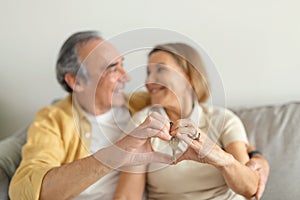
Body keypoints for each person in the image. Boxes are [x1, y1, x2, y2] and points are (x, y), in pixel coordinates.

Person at [9, 31, 172, 200]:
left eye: (122, 64)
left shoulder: (141, 104)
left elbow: (187, 93)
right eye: (112, 69)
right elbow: (24, 191)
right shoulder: (53, 120)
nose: (126, 77)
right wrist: (112, 156)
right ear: (75, 81)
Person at [114, 43, 269, 200]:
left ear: (188, 75)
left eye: (160, 69)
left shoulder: (223, 120)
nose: (148, 81)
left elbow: (250, 189)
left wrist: (221, 159)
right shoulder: (143, 123)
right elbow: (127, 195)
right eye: (148, 72)